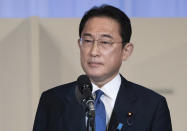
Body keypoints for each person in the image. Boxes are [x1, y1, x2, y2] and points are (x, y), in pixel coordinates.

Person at [33, 4, 172, 131]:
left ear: (126, 51)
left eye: (105, 42)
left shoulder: (152, 106)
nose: (94, 52)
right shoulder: (52, 101)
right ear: (79, 45)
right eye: (87, 41)